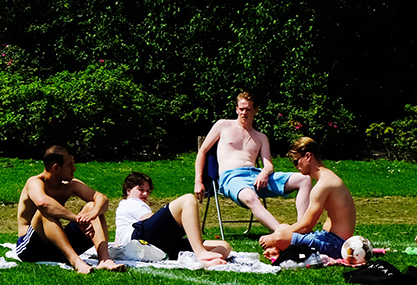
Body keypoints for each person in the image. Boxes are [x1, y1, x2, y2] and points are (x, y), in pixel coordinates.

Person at [194, 92, 297, 235]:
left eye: (248, 109)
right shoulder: (223, 125)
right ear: (236, 109)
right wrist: (198, 181)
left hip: (256, 176)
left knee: (303, 179)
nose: (244, 112)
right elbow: (202, 152)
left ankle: (303, 228)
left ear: (256, 111)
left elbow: (269, 165)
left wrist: (264, 172)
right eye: (241, 109)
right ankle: (283, 233)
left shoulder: (261, 137)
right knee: (250, 197)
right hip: (232, 177)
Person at [13, 144, 124, 273]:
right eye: (70, 165)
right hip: (32, 248)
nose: (74, 168)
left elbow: (101, 198)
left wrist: (93, 213)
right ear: (56, 167)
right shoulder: (34, 182)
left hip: (58, 247)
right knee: (43, 211)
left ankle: (104, 260)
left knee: (92, 205)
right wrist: (77, 219)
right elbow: (43, 203)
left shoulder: (70, 185)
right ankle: (76, 262)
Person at [258, 137, 358, 261]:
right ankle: (280, 248)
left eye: (296, 161)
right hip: (328, 237)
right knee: (282, 228)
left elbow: (307, 226)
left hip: (335, 245)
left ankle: (279, 248)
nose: (296, 166)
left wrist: (274, 238)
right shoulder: (327, 178)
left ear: (308, 156)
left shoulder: (323, 185)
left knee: (280, 236)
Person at [109, 173, 234, 265]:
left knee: (224, 246)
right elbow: (151, 221)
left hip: (156, 245)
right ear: (128, 191)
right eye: (141, 190)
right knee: (188, 199)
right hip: (141, 240)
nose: (145, 194)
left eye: (148, 191)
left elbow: (118, 242)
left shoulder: (122, 211)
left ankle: (202, 260)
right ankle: (200, 253)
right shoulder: (131, 202)